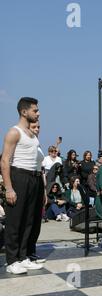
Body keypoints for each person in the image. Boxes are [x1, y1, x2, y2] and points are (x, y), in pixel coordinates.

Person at [1, 97, 46, 274]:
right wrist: (9, 187)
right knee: (15, 220)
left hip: (34, 178)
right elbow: (5, 161)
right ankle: (12, 261)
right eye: (35, 110)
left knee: (30, 220)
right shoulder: (14, 132)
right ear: (24, 112)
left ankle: (23, 257)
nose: (38, 113)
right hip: (19, 176)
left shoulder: (32, 133)